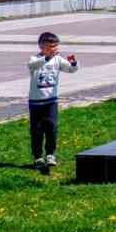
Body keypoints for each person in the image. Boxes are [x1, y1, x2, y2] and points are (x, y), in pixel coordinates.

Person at [27, 31, 77, 174]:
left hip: (51, 101)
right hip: (36, 102)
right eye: (51, 46)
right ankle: (37, 156)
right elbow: (32, 65)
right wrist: (47, 57)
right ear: (41, 46)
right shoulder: (35, 59)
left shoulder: (58, 60)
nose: (54, 49)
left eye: (56, 46)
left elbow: (71, 69)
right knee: (37, 130)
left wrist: (73, 63)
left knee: (51, 127)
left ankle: (50, 154)